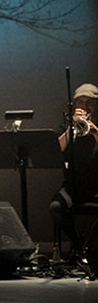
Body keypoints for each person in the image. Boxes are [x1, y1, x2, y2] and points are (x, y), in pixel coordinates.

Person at [50, 83, 98, 256]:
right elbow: (54, 152)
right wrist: (71, 129)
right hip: (73, 186)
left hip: (96, 186)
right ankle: (81, 247)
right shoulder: (67, 127)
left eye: (89, 102)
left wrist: (94, 132)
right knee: (56, 207)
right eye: (80, 102)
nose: (84, 107)